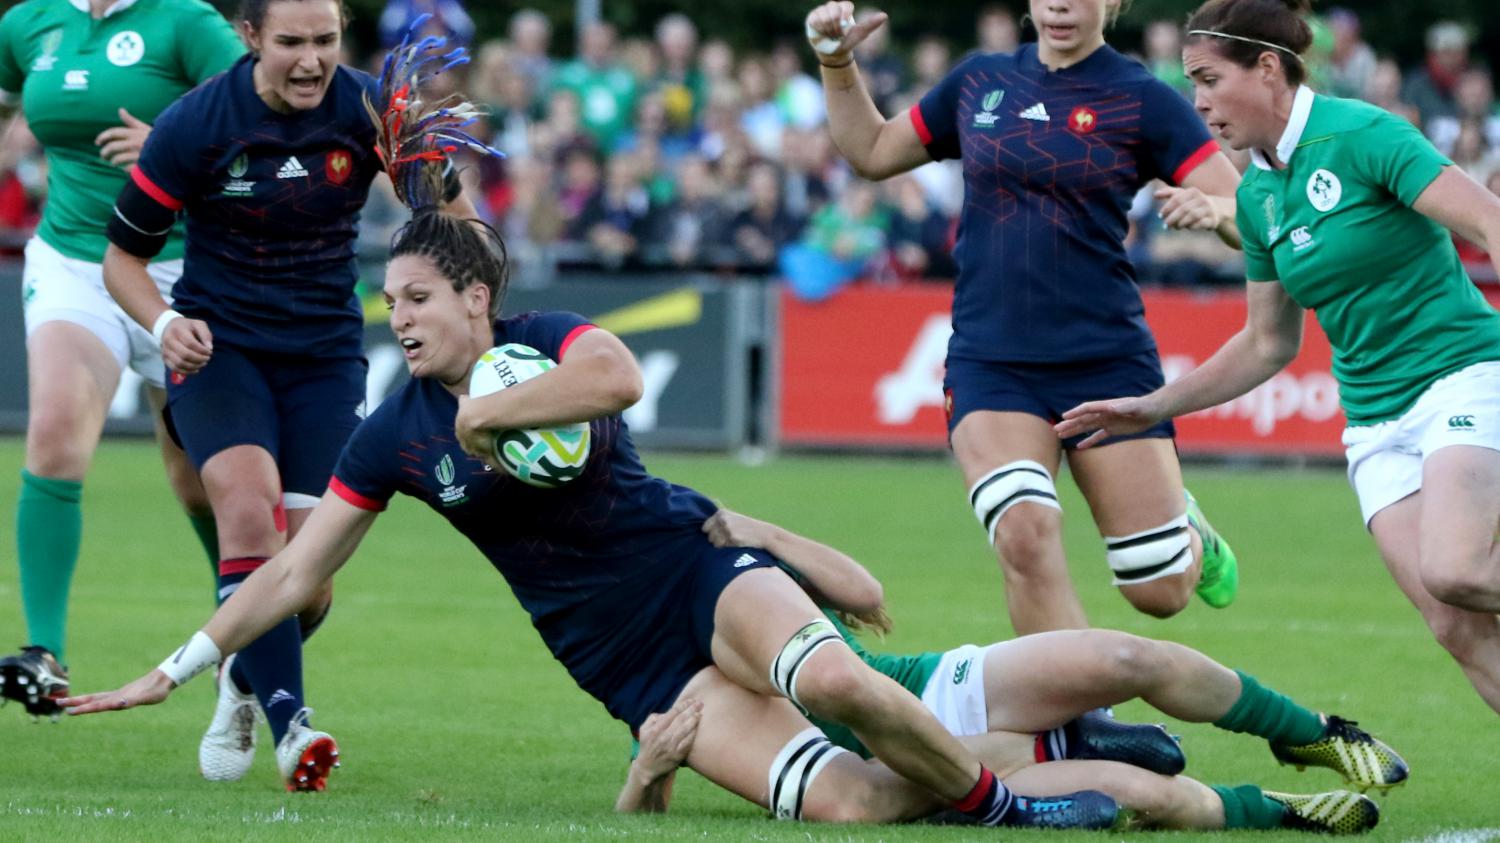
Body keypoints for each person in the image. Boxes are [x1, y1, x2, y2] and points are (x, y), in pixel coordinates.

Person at [65, 187, 1122, 830]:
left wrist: (492, 419)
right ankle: (1048, 768)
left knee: (840, 678)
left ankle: (1021, 803)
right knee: (853, 803)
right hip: (619, 659)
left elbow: (616, 378)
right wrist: (173, 670)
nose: (401, 318)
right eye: (391, 303)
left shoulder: (551, 331)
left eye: (419, 299)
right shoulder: (392, 431)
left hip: (691, 567)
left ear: (476, 300)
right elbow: (295, 574)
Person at [1055, 0, 1500, 717]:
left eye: (1207, 79)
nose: (1197, 101)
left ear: (1266, 69)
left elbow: (1489, 217)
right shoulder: (1259, 194)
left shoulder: (1365, 133)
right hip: (1375, 423)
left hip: (1463, 377)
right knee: (1454, 623)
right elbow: (1268, 343)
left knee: (1456, 568)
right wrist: (1153, 405)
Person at [99, 1, 480, 789]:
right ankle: (291, 728)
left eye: (326, 41)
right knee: (247, 508)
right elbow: (121, 261)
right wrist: (164, 320)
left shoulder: (377, 107)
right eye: (291, 43)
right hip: (219, 351)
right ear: (248, 38)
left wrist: (464, 281)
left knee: (305, 585)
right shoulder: (194, 124)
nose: (311, 61)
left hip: (325, 357)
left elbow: (454, 218)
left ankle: (241, 672)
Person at [805, 0, 1245, 633]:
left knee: (1159, 588)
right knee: (1024, 532)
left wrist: (1219, 217)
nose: (1061, 4)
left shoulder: (1144, 99)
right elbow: (872, 151)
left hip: (1107, 358)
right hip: (992, 361)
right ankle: (1076, 723)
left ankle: (1188, 532)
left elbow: (1245, 210)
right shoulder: (980, 80)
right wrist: (836, 60)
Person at [615, 507, 1406, 833]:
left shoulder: (722, 567)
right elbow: (643, 794)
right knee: (1137, 794)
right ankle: (1280, 809)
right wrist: (647, 774)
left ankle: (1312, 734)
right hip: (910, 763)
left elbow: (866, 596)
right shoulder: (656, 662)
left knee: (1128, 654)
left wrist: (759, 530)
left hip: (927, 683)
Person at [0, 0, 245, 719]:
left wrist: (172, 146)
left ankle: (240, 636)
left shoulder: (188, 22)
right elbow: (13, 105)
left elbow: (264, 125)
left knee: (200, 481)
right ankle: (43, 653)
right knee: (51, 435)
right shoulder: (29, 24)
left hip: (184, 271)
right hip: (76, 258)